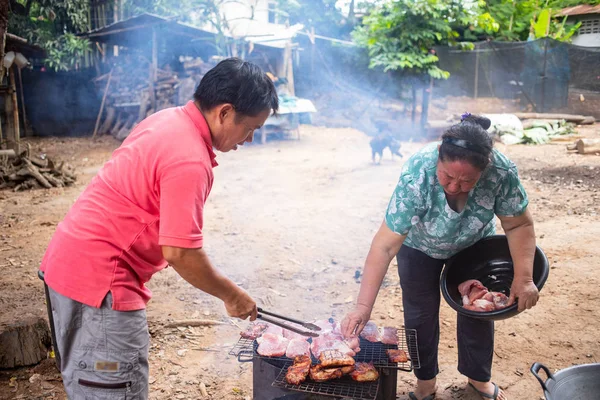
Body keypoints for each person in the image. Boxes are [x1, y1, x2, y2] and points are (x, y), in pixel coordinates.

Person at [39, 58, 278, 399]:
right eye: (251, 128)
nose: (251, 139)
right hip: (102, 286)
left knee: (91, 383)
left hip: (68, 267)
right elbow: (180, 252)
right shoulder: (189, 159)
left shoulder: (168, 119)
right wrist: (232, 295)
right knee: (113, 386)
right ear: (224, 112)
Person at [341, 114, 539, 400]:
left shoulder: (501, 172)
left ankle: (478, 380)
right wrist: (362, 306)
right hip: (420, 246)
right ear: (438, 158)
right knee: (419, 312)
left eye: (467, 180)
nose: (455, 187)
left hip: (474, 243)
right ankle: (425, 382)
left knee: (477, 307)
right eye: (447, 176)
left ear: (484, 170)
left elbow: (518, 224)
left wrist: (524, 277)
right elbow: (384, 246)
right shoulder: (418, 173)